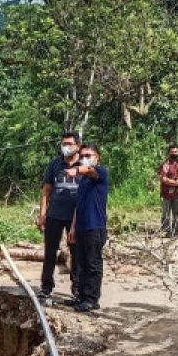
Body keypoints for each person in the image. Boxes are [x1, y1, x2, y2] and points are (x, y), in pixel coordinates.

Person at [37, 131, 81, 299]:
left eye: (69, 144)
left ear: (77, 146)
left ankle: (76, 286)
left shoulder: (83, 166)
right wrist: (42, 214)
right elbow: (46, 191)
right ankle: (46, 286)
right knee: (50, 251)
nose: (66, 147)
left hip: (75, 217)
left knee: (76, 252)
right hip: (54, 214)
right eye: (64, 144)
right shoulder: (55, 164)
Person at [67, 144, 110, 312]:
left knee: (93, 264)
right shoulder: (83, 180)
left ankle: (92, 299)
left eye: (89, 155)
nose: (85, 157)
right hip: (81, 227)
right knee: (81, 264)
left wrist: (77, 170)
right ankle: (82, 297)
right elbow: (78, 205)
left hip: (95, 226)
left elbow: (91, 172)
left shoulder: (100, 173)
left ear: (97, 157)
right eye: (83, 155)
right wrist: (72, 227)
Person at [158, 144, 178, 236]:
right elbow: (163, 179)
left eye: (175, 152)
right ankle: (166, 232)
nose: (174, 153)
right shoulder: (166, 164)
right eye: (172, 152)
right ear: (169, 153)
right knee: (166, 214)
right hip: (167, 193)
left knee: (177, 213)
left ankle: (176, 232)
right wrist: (176, 184)